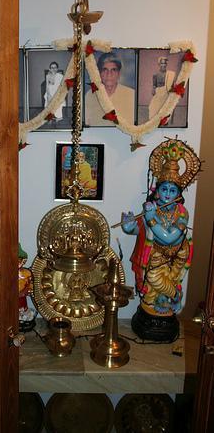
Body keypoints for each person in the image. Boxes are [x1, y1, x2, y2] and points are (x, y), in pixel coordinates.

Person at [121, 139, 201, 341]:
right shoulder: (151, 208)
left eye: (172, 191)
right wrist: (129, 225)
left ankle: (175, 296)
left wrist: (150, 218)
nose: (167, 195)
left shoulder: (182, 213)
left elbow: (169, 238)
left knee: (157, 280)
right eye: (164, 189)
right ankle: (164, 301)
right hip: (153, 255)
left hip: (175, 256)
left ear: (178, 193)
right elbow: (141, 232)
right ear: (157, 190)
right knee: (149, 292)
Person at [85, 52, 135, 126]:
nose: (109, 74)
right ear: (99, 73)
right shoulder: (90, 95)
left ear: (119, 73)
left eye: (113, 70)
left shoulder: (131, 95)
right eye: (105, 70)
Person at [149, 56, 176, 121]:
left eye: (165, 63)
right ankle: (155, 121)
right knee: (152, 107)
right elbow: (154, 85)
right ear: (159, 64)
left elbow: (171, 86)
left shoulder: (170, 74)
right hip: (158, 93)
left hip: (166, 94)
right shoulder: (155, 74)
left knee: (165, 109)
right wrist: (153, 90)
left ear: (166, 64)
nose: (163, 65)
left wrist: (173, 94)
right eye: (162, 63)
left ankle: (164, 120)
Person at [18, 243, 36, 331]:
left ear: (23, 261)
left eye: (19, 261)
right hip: (14, 295)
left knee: (23, 305)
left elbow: (30, 283)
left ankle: (23, 316)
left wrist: (28, 289)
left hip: (23, 294)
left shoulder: (27, 273)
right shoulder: (9, 273)